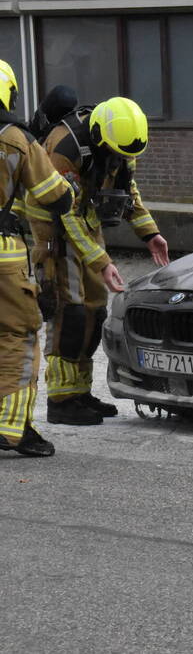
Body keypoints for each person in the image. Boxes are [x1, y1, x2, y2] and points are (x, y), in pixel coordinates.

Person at [26, 96, 169, 426]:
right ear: (101, 138)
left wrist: (149, 233)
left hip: (85, 224)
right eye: (117, 153)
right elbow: (66, 213)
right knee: (70, 311)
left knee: (95, 311)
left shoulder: (117, 145)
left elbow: (126, 189)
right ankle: (61, 400)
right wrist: (101, 261)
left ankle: (79, 393)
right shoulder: (65, 148)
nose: (121, 159)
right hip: (53, 230)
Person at [0, 60, 86, 455]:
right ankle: (12, 427)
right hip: (4, 254)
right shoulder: (15, 138)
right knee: (18, 334)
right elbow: (54, 194)